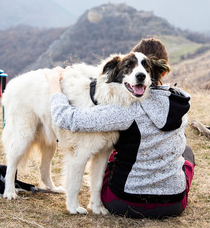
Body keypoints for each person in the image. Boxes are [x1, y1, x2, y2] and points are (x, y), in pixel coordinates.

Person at [45, 38, 195, 219]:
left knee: (109, 153)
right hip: (174, 204)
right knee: (186, 153)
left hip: (123, 202)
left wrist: (54, 83)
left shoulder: (125, 109)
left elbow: (65, 118)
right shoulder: (180, 101)